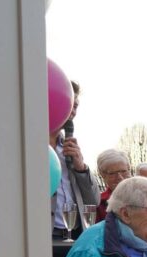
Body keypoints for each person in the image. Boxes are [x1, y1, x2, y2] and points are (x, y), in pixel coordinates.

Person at [49, 80, 99, 240]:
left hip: (73, 236)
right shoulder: (28, 146)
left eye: (75, 105)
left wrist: (81, 168)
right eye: (68, 103)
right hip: (42, 237)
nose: (71, 111)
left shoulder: (70, 148)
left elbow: (94, 201)